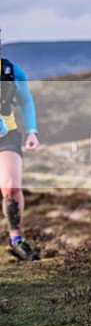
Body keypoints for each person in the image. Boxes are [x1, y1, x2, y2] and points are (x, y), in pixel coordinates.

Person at [0, 30, 41, 261]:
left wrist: (32, 131)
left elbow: (25, 100)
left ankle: (17, 240)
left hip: (7, 137)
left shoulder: (11, 71)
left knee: (11, 188)